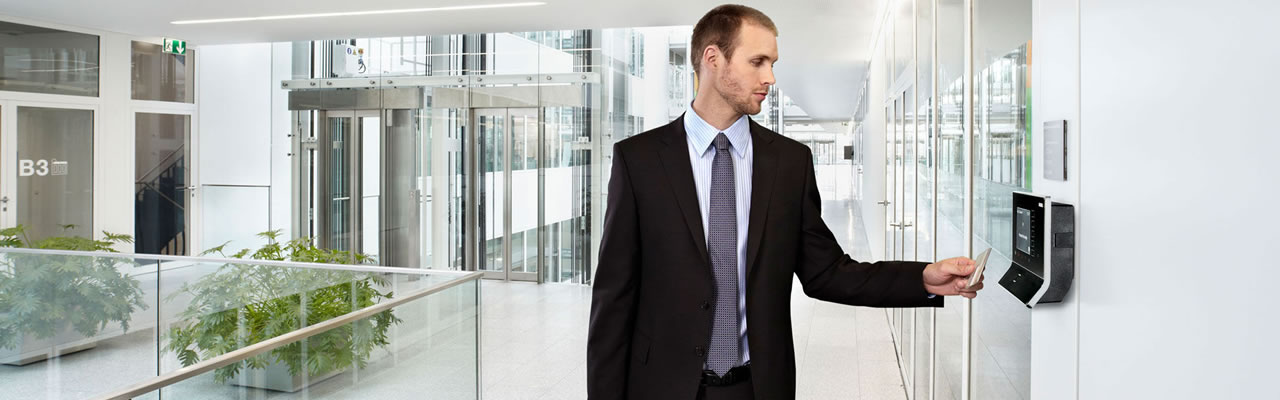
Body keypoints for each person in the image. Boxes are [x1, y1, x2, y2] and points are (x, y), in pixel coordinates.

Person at [587, 4, 985, 399]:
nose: (770, 77)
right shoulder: (638, 160)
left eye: (772, 63)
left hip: (757, 387)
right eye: (757, 61)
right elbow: (613, 301)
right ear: (712, 58)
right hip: (661, 387)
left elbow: (827, 272)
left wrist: (923, 279)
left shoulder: (789, 162)